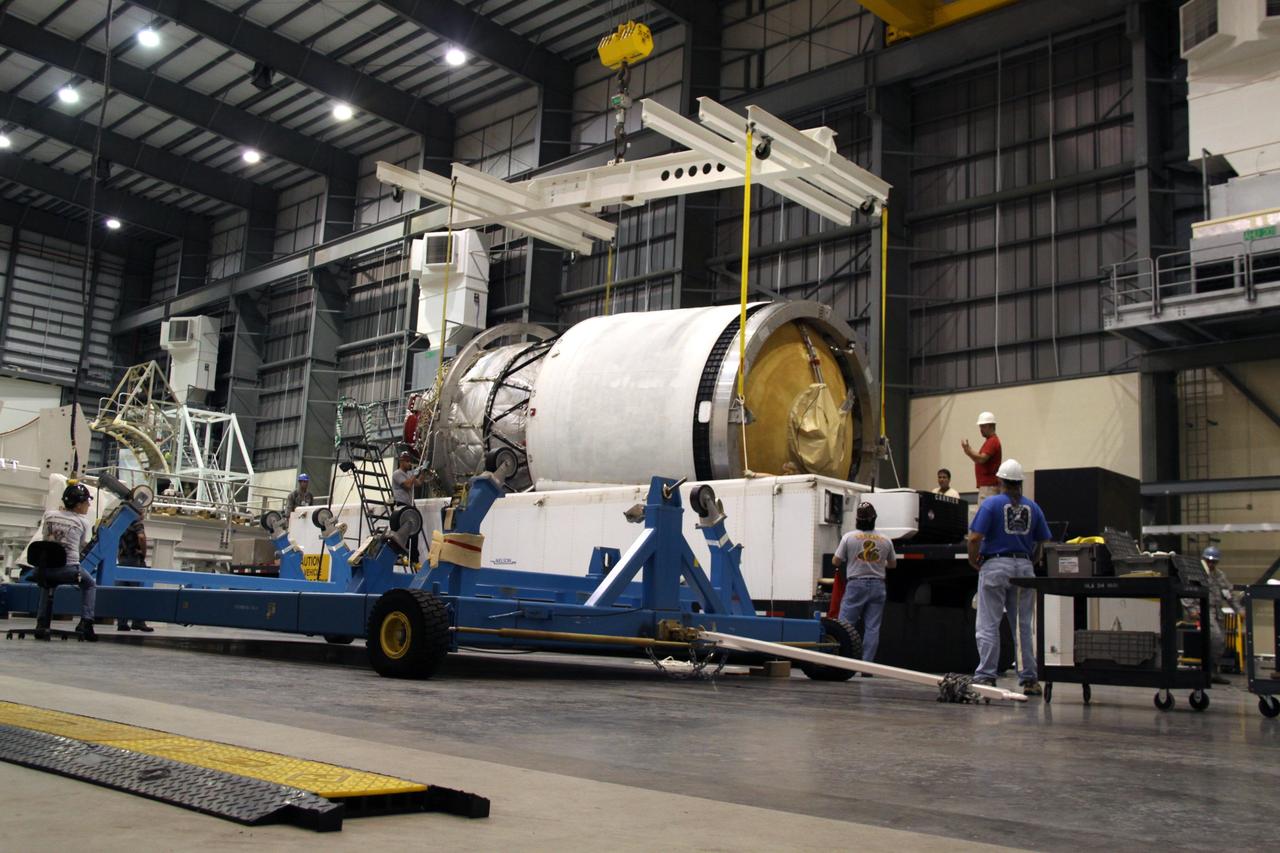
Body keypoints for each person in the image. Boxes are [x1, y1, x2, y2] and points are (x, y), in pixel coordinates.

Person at [967, 459, 1051, 694]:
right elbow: (1042, 541)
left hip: (995, 566)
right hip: (1024, 568)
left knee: (989, 623)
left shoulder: (991, 505)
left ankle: (985, 675)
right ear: (1020, 483)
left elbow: (974, 538)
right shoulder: (1033, 508)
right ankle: (1029, 679)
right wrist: (1029, 561)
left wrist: (973, 560)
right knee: (1023, 625)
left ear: (1000, 481)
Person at [832, 502, 897, 667]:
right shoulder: (885, 540)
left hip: (856, 585)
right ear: (874, 518)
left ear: (857, 520)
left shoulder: (849, 537)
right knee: (872, 627)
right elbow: (892, 565)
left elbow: (836, 561)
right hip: (878, 586)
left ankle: (843, 662)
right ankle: (867, 665)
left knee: (845, 625)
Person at [34, 483, 98, 641]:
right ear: (78, 504)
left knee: (47, 582)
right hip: (68, 569)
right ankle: (86, 622)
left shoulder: (49, 515)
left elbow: (46, 538)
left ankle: (41, 622)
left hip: (43, 568)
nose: (89, 505)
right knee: (89, 584)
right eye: (86, 502)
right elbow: (83, 545)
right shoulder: (83, 522)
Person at [1198, 545, 1242, 685]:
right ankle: (1207, 671)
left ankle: (1213, 672)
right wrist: (1192, 609)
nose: (1211, 564)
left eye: (1214, 562)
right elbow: (1188, 590)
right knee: (1215, 638)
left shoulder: (1219, 575)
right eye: (1208, 561)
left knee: (1221, 641)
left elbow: (1229, 595)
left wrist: (1239, 610)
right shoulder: (1198, 573)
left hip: (1217, 611)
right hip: (1204, 610)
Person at [116, 516, 154, 632]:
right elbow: (141, 537)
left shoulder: (121, 522)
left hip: (122, 560)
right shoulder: (136, 523)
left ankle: (122, 623)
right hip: (134, 560)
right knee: (138, 592)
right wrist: (143, 552)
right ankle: (138, 622)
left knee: (123, 593)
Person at [961, 412, 1002, 503]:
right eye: (980, 426)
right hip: (988, 487)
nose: (981, 429)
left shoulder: (992, 441)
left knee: (986, 515)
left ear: (991, 426)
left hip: (988, 488)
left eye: (983, 426)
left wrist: (968, 451)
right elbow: (980, 459)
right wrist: (969, 451)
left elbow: (981, 459)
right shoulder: (991, 441)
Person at [392, 452, 424, 565]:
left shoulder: (409, 474)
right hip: (400, 506)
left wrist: (423, 472)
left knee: (414, 532)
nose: (409, 463)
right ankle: (401, 555)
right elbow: (408, 486)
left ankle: (414, 559)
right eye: (407, 461)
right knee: (402, 533)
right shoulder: (397, 474)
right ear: (401, 462)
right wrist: (414, 474)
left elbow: (418, 483)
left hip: (408, 506)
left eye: (410, 461)